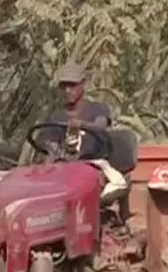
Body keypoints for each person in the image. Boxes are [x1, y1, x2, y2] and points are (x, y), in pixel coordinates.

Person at [45, 61, 127, 203]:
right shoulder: (56, 117)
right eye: (64, 86)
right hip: (66, 169)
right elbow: (52, 150)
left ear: (83, 84)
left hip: (93, 165)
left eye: (72, 85)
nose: (67, 90)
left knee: (91, 183)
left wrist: (82, 124)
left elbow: (100, 126)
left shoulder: (98, 109)